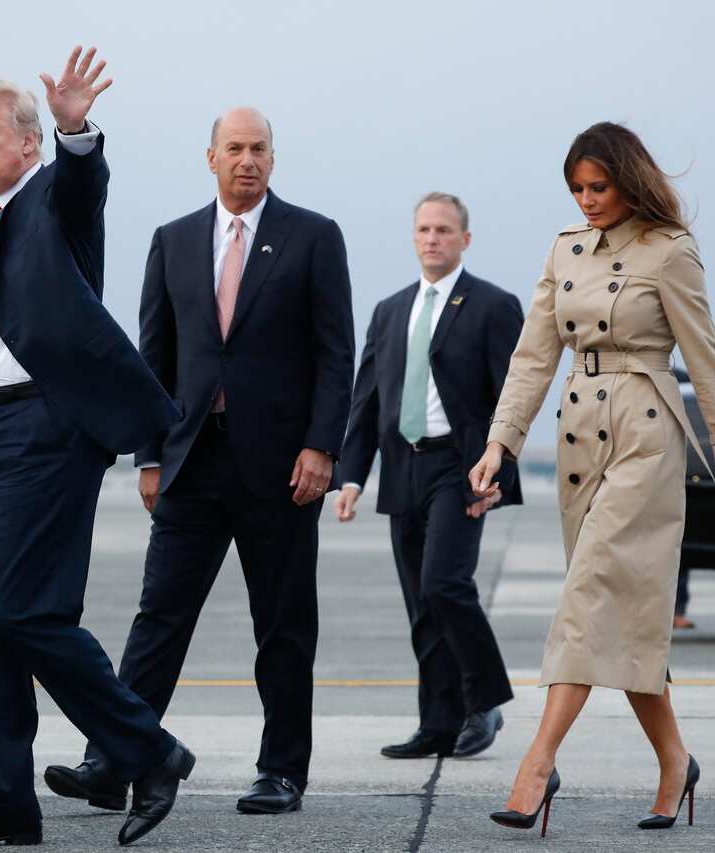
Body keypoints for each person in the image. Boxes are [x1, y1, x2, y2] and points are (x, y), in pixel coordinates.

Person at [0, 48, 194, 848]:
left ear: (28, 142)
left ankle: (150, 750)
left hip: (43, 431)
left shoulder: (53, 202)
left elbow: (83, 181)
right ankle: (0, 805)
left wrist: (78, 131)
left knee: (30, 610)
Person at [43, 107, 353, 817]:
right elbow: (153, 356)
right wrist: (147, 454)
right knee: (159, 619)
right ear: (210, 157)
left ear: (274, 158)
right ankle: (113, 759)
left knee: (281, 624)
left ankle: (281, 770)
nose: (248, 160)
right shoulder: (174, 240)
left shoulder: (312, 236)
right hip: (190, 462)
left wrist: (322, 445)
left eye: (260, 149)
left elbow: (337, 354)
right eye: (235, 149)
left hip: (282, 469)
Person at [473, 121, 713, 834]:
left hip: (647, 438)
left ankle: (537, 766)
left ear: (629, 180)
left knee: (584, 600)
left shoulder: (669, 251)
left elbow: (705, 361)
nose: (586, 200)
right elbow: (531, 358)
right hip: (580, 441)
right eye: (577, 188)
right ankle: (676, 761)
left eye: (599, 186)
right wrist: (500, 444)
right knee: (621, 619)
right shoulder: (564, 251)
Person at [334, 193, 519, 762]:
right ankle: (437, 723)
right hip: (402, 466)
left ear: (465, 239)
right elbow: (366, 402)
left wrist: (497, 478)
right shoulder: (391, 310)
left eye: (444, 229)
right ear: (413, 238)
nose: (432, 238)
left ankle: (484, 700)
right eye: (423, 229)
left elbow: (514, 399)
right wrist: (351, 477)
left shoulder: (493, 305)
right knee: (421, 601)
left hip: (461, 468)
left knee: (445, 584)